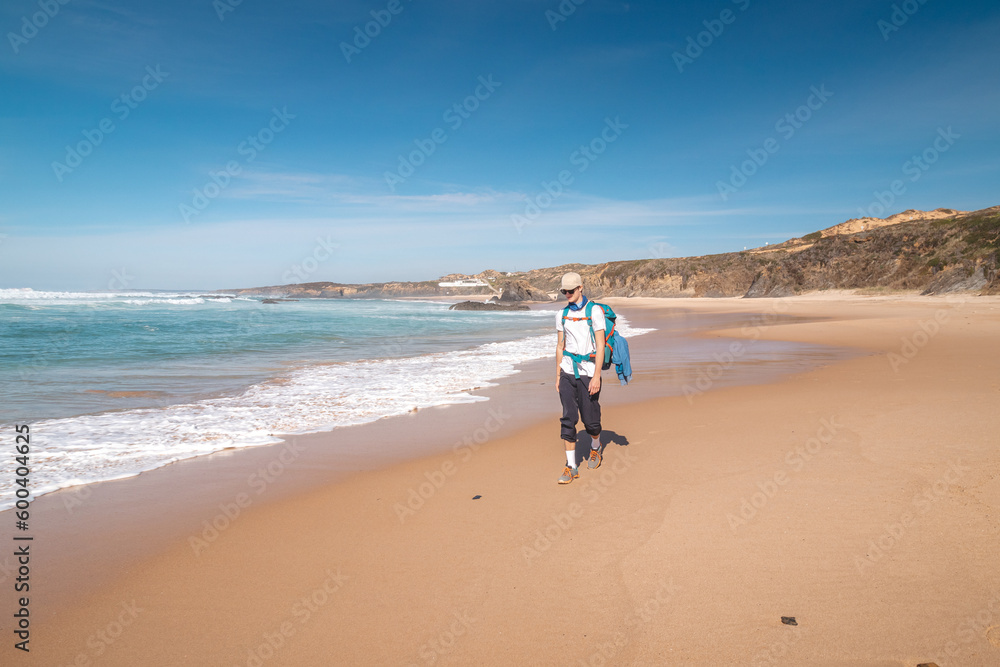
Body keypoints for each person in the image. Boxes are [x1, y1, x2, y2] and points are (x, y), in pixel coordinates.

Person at [554, 272, 605, 484]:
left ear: (580, 288)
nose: (567, 294)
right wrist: (557, 375)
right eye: (564, 291)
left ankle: (596, 446)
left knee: (591, 421)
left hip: (588, 372)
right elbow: (560, 346)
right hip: (567, 371)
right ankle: (571, 466)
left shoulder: (595, 311)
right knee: (568, 418)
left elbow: (600, 345)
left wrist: (597, 376)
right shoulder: (561, 315)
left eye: (571, 290)